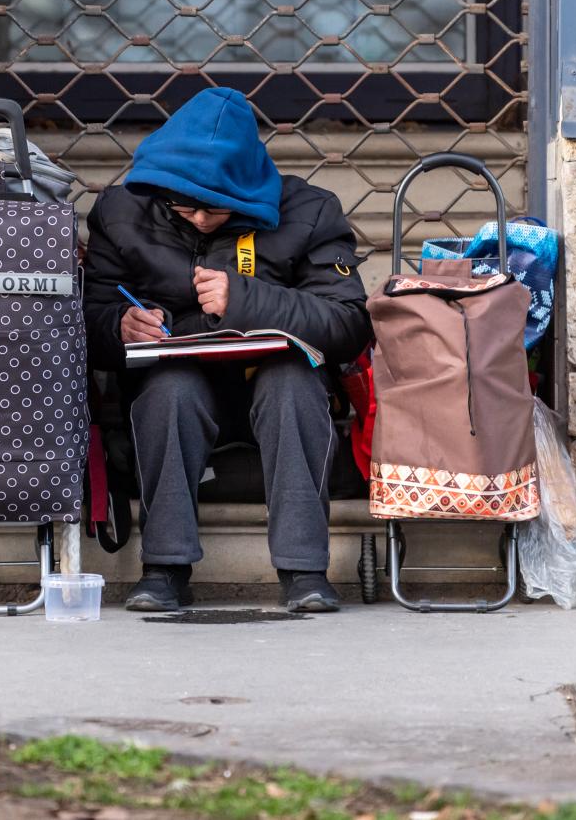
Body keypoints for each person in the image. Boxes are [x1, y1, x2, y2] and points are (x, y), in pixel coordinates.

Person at [83, 87, 371, 613]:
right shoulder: (124, 212)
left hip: (272, 385)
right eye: (183, 205)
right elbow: (86, 319)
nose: (196, 218)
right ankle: (165, 569)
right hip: (178, 388)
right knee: (171, 388)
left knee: (290, 382)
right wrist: (120, 325)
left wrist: (248, 300)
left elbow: (349, 323)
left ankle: (305, 570)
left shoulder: (308, 211)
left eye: (213, 209)